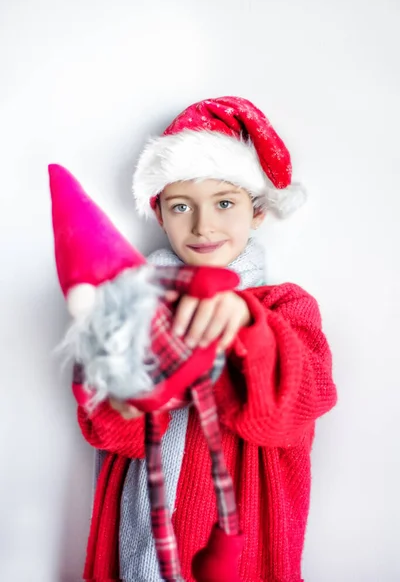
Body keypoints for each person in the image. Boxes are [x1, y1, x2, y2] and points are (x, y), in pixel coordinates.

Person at [77, 96, 337, 581]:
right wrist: (123, 401)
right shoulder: (134, 306)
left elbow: (298, 407)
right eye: (182, 206)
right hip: (145, 542)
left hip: (240, 542)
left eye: (224, 202)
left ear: (257, 211)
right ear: (159, 214)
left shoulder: (284, 307)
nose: (203, 225)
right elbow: (105, 430)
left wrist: (245, 323)